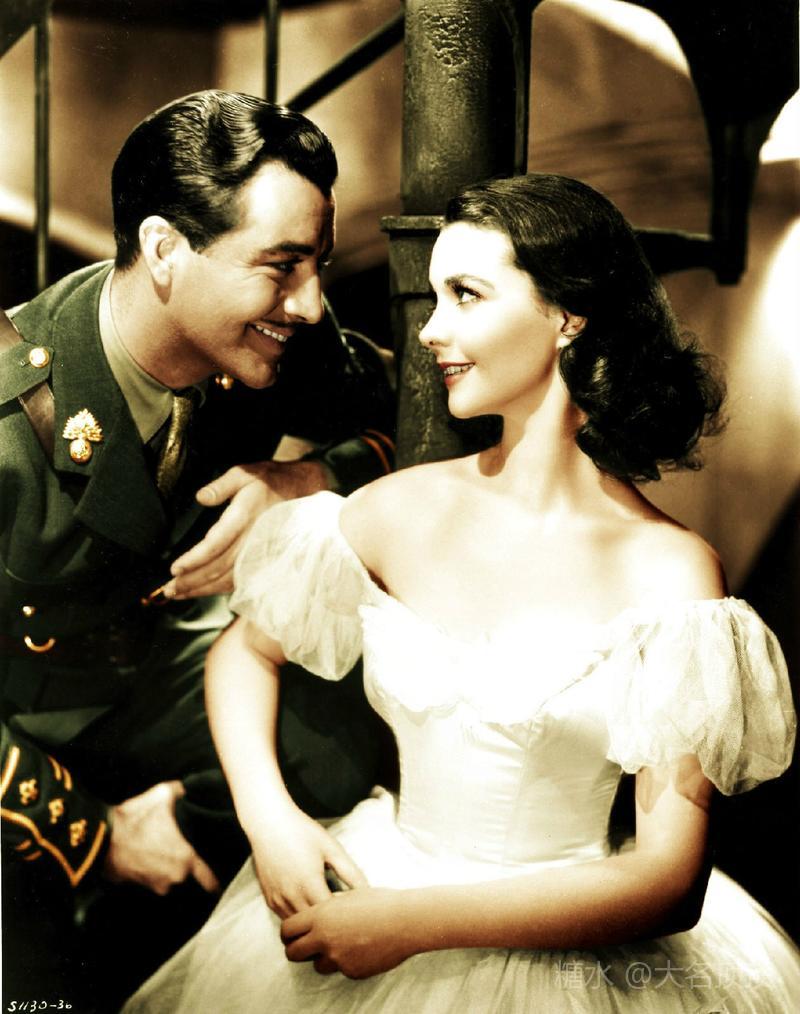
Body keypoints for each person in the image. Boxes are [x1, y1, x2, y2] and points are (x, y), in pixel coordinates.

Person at [125, 173, 799, 1013]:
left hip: (561, 967)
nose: (431, 329)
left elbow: (667, 881)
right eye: (435, 296)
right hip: (369, 886)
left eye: (466, 295)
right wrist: (272, 822)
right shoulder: (395, 509)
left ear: (567, 315)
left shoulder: (673, 574)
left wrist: (407, 926)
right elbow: (243, 653)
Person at [0, 90, 395, 1009]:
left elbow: (417, 416)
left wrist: (313, 478)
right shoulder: (8, 421)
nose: (311, 303)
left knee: (338, 742)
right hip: (16, 733)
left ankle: (160, 866)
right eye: (281, 266)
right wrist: (95, 835)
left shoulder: (277, 334)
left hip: (145, 676)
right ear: (164, 250)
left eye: (318, 264)